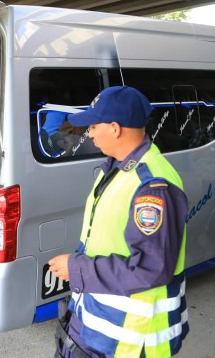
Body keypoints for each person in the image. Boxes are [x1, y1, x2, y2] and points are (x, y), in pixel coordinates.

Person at [48, 86, 189, 358]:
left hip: (129, 339)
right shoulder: (118, 168)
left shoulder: (152, 186)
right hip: (98, 323)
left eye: (93, 126)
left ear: (115, 128)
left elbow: (152, 268)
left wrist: (76, 268)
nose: (89, 133)